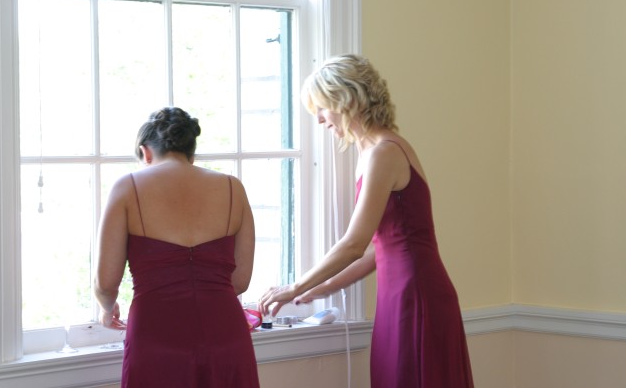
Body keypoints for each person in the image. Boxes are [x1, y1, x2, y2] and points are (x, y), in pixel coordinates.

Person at [259, 54, 474, 387]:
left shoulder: (384, 152)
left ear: (347, 100)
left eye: (322, 108)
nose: (319, 119)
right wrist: (321, 287)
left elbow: (354, 244)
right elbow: (380, 249)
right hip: (399, 295)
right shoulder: (371, 152)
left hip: (416, 295)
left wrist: (295, 287)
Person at [94, 106, 260, 387]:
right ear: (191, 153)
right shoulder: (233, 187)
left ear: (146, 152)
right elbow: (240, 281)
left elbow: (106, 284)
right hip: (226, 335)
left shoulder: (126, 187)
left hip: (156, 337)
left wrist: (107, 309)